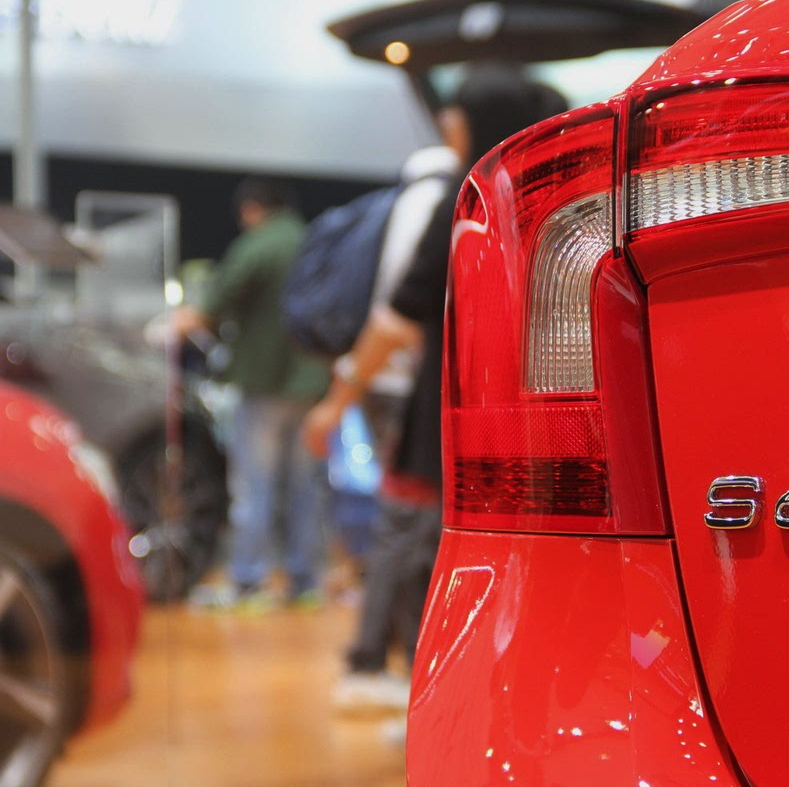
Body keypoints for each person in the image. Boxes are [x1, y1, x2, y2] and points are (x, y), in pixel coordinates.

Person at [301, 64, 567, 716]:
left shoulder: (466, 195)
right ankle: (487, 691)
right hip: (532, 405)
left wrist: (338, 400)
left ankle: (414, 685)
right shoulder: (547, 192)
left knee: (424, 542)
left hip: (452, 405)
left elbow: (399, 311)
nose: (448, 128)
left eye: (456, 118)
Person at [175, 177, 330, 608]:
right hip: (312, 386)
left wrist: (180, 322)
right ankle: (305, 582)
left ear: (251, 209)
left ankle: (248, 582)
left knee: (254, 487)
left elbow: (212, 305)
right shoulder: (314, 242)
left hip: (264, 385)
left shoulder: (258, 245)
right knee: (304, 489)